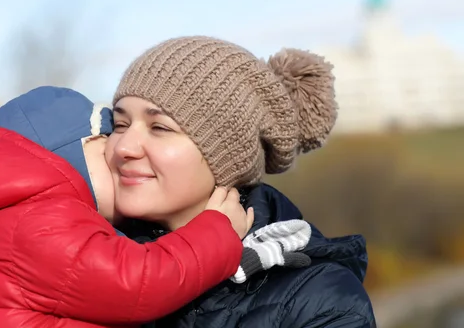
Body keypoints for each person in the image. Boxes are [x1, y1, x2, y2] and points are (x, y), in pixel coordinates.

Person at [0, 86, 308, 327]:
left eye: (159, 128)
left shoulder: (21, 214)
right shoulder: (40, 221)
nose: (120, 152)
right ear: (67, 152)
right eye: (110, 136)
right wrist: (217, 230)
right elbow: (139, 281)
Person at [107, 36, 377, 327]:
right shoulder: (92, 263)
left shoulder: (320, 301)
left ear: (228, 155)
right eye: (120, 125)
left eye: (159, 127)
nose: (124, 147)